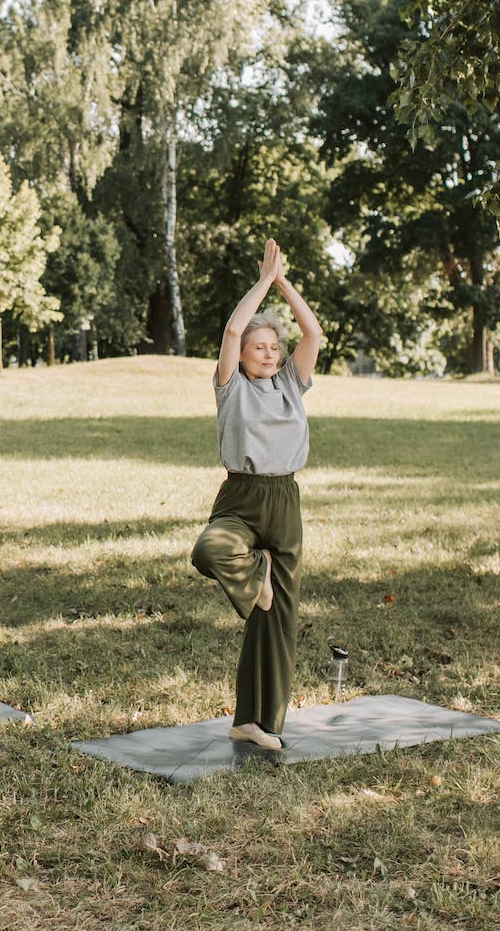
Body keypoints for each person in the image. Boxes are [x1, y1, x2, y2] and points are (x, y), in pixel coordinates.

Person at [189, 238, 324, 751]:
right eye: (257, 347)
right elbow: (229, 328)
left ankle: (257, 722)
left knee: (278, 624)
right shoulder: (230, 386)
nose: (267, 354)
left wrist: (284, 281)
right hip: (241, 499)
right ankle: (256, 575)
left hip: (285, 500)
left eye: (273, 347)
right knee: (211, 549)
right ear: (241, 355)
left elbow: (311, 331)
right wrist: (263, 282)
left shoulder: (292, 384)